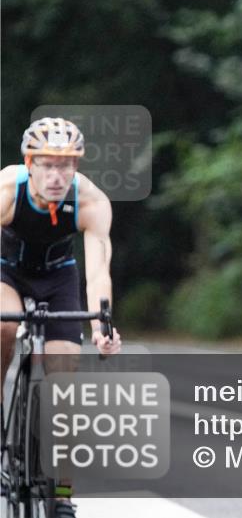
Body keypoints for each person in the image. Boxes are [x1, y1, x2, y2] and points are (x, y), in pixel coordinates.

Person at [1, 117, 123, 517]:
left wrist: (101, 328)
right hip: (7, 272)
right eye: (47, 164)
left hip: (59, 278)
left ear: (77, 166)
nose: (56, 175)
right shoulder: (7, 190)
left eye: (66, 165)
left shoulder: (90, 201)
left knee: (64, 381)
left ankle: (64, 491)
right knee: (5, 324)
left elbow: (98, 271)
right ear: (29, 163)